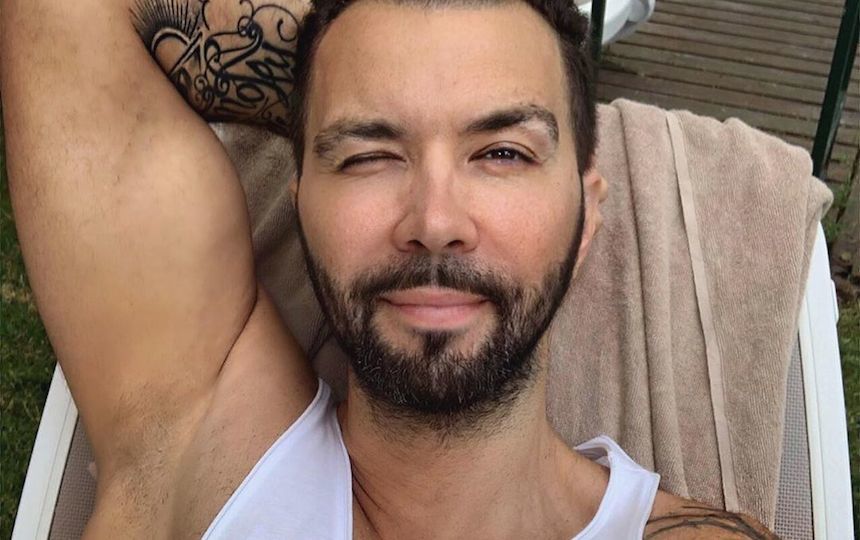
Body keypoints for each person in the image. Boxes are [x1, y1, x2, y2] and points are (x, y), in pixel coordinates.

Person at [1, 0, 779, 537]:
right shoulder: (195, 442)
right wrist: (336, 63)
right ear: (302, 206)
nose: (434, 223)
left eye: (502, 153)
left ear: (586, 219)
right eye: (368, 156)